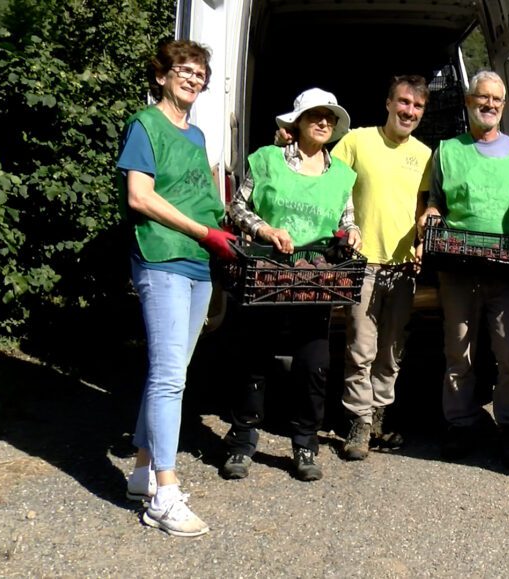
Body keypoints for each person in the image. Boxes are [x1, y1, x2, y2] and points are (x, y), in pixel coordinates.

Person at [117, 39, 235, 537]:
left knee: (173, 368)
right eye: (184, 70)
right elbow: (139, 197)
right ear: (163, 75)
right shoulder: (146, 125)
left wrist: (229, 234)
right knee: (170, 375)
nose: (193, 78)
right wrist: (202, 231)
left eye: (200, 73)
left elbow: (207, 202)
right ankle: (165, 494)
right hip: (161, 256)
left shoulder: (197, 135)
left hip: (197, 263)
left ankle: (142, 470)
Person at [220, 88, 358, 482]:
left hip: (314, 283)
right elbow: (238, 207)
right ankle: (242, 441)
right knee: (253, 360)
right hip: (266, 275)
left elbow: (346, 222)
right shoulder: (266, 161)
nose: (323, 122)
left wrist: (353, 233)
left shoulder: (341, 176)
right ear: (297, 121)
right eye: (315, 114)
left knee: (314, 366)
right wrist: (264, 229)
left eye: (330, 117)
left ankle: (305, 444)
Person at [418, 70, 509, 469]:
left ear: (503, 107)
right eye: (481, 98)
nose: (489, 105)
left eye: (496, 100)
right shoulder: (448, 151)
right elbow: (436, 202)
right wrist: (429, 218)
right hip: (457, 266)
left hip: (507, 269)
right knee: (458, 350)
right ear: (468, 102)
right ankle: (461, 423)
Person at [331, 75, 433, 461]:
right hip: (363, 262)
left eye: (417, 106)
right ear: (388, 103)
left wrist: (423, 243)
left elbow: (423, 206)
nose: (409, 111)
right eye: (403, 103)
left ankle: (379, 417)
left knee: (392, 349)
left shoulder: (424, 154)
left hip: (404, 265)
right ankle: (358, 421)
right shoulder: (357, 141)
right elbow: (331, 185)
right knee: (360, 346)